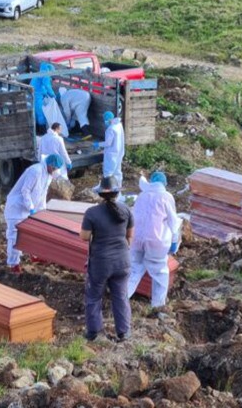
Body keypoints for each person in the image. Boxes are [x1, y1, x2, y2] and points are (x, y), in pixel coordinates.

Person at [80, 176, 134, 342]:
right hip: (122, 261)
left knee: (94, 296)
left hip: (101, 262)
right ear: (117, 193)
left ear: (99, 194)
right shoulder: (126, 210)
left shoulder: (92, 213)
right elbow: (129, 236)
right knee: (121, 296)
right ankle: (124, 333)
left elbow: (84, 237)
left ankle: (94, 333)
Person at [126, 172, 181, 309]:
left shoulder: (142, 196)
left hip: (137, 240)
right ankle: (158, 307)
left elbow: (133, 217)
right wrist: (174, 241)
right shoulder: (166, 197)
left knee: (134, 270)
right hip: (156, 242)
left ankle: (120, 300)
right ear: (164, 183)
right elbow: (173, 221)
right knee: (160, 273)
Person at [4, 154, 64, 274]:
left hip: (31, 208)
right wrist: (31, 208)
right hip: (17, 208)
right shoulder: (35, 171)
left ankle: (35, 255)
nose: (56, 171)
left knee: (34, 232)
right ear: (51, 165)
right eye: (56, 168)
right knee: (15, 236)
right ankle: (13, 263)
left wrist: (43, 211)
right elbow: (25, 191)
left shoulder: (48, 175)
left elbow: (43, 193)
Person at [94, 111, 125, 187]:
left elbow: (108, 143)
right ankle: (118, 189)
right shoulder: (118, 125)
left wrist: (98, 144)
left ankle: (107, 189)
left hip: (111, 154)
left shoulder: (110, 129)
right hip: (119, 152)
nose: (105, 122)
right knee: (117, 172)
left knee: (108, 173)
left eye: (105, 120)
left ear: (108, 119)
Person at [30, 62, 56, 136]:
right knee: (40, 113)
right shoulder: (46, 75)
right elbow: (47, 85)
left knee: (35, 113)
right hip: (37, 96)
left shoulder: (38, 74)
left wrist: (44, 93)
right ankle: (43, 132)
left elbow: (39, 85)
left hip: (32, 95)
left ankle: (37, 131)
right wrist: (52, 94)